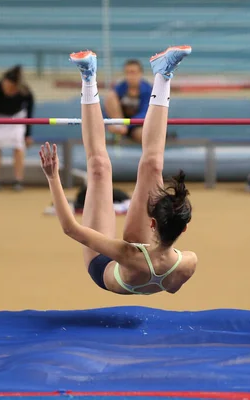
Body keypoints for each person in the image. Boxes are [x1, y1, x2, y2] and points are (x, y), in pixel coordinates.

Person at [39, 46, 198, 295]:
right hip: (145, 253)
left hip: (103, 265)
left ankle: (88, 77)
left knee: (99, 167)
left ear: (153, 223)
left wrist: (52, 177)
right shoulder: (188, 261)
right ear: (182, 228)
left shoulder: (129, 254)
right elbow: (173, 289)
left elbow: (70, 228)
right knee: (153, 165)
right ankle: (163, 74)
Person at [0, 65, 35, 191]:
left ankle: (18, 181)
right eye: (6, 86)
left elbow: (30, 114)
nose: (8, 90)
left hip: (16, 118)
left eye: (11, 88)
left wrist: (28, 135)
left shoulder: (25, 92)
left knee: (19, 146)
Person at [103, 59, 151, 143]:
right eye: (127, 73)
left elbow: (146, 113)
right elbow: (108, 108)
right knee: (110, 96)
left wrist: (127, 126)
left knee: (145, 134)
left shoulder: (148, 90)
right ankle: (117, 131)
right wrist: (110, 124)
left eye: (133, 72)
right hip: (120, 124)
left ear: (140, 73)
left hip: (136, 126)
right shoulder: (119, 88)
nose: (130, 76)